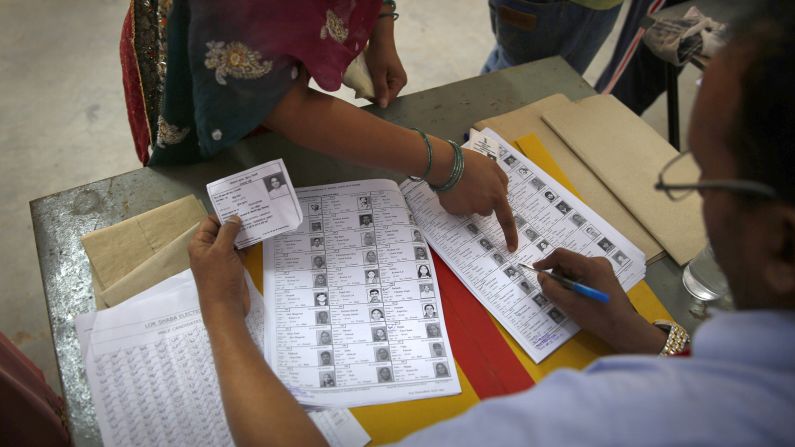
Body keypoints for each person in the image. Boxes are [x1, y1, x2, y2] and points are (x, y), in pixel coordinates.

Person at [188, 3, 795, 444]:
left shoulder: (604, 420)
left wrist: (221, 311)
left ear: (782, 245)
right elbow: (270, 97)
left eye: (703, 175)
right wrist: (640, 335)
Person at [122, 0, 518, 251]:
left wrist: (380, 23)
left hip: (260, 51)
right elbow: (283, 105)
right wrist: (445, 164)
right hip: (202, 61)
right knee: (214, 194)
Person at [481, 0, 623, 76]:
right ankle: (479, 126)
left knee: (508, 58)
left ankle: (475, 122)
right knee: (530, 84)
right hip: (571, 6)